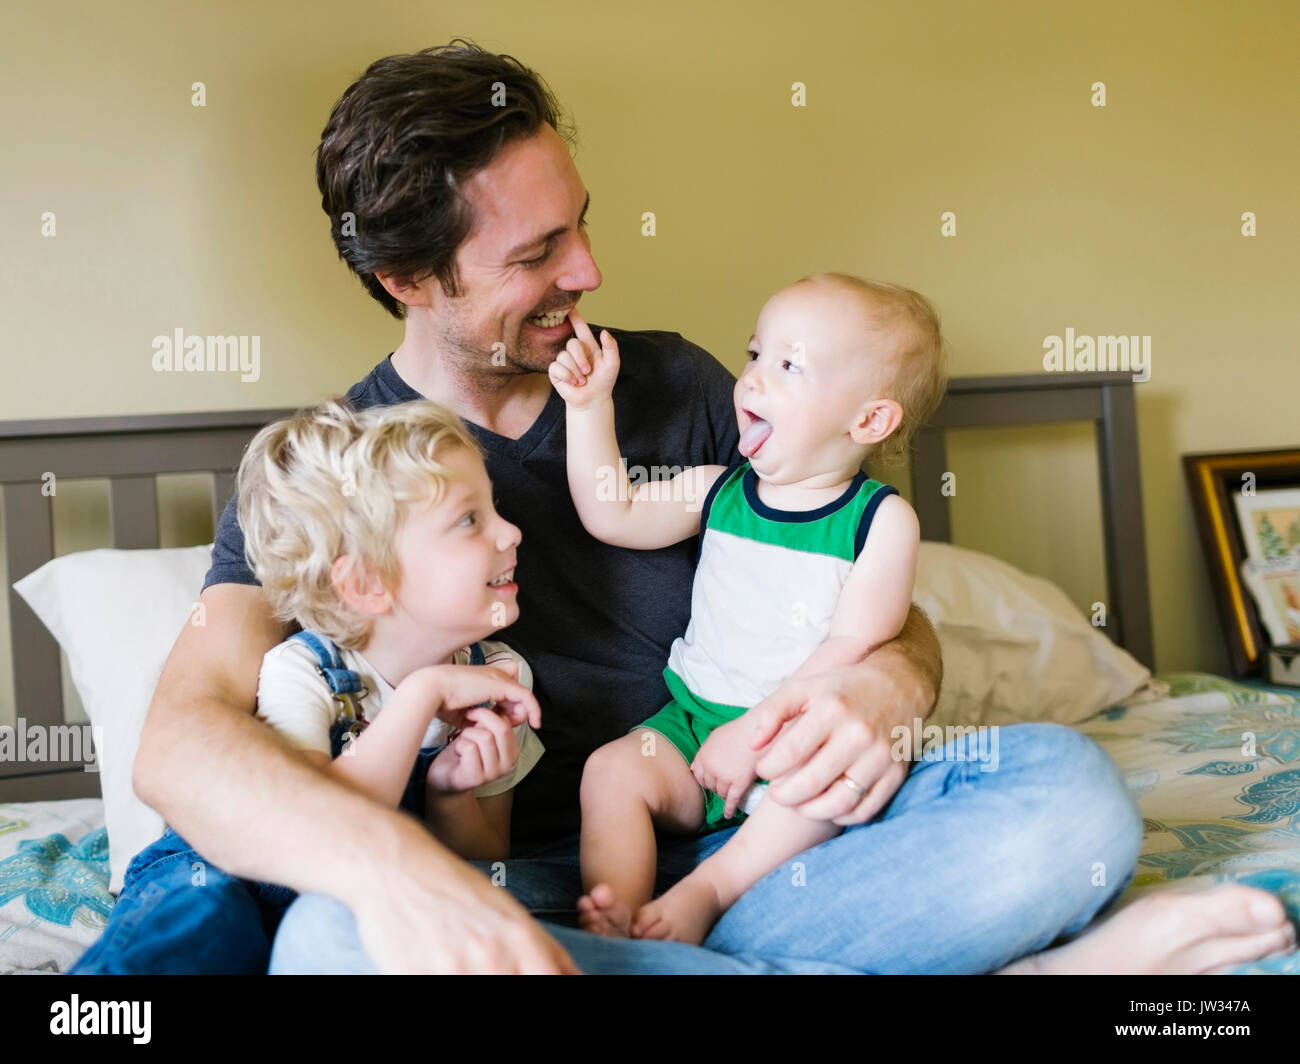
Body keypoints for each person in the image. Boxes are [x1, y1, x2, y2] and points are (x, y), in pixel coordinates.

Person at [113, 41, 1290, 975]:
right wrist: (395, 873)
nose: (590, 272)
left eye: (582, 219)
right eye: (539, 252)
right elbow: (184, 741)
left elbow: (861, 579)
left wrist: (882, 687)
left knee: (1059, 796)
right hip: (516, 883)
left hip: (767, 838)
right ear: (409, 280)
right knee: (332, 945)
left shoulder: (684, 385)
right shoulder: (339, 473)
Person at [72, 399, 545, 972]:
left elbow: (485, 855)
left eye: (493, 507)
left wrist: (452, 795)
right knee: (200, 927)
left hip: (350, 901)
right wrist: (421, 697)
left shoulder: (500, 675)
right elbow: (319, 816)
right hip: (228, 865)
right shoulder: (305, 670)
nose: (512, 531)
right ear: (368, 583)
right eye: (470, 519)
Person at [555, 276, 940, 944]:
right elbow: (610, 510)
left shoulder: (880, 523)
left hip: (797, 736)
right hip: (691, 724)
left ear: (870, 420)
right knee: (610, 770)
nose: (753, 380)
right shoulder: (718, 492)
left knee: (835, 787)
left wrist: (756, 734)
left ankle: (707, 892)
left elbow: (850, 650)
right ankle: (614, 919)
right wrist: (589, 407)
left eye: (789, 365)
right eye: (755, 353)